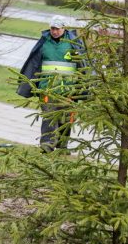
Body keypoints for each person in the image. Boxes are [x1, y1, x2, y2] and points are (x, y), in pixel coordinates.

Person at [17, 15, 88, 152]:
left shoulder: (73, 43)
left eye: (57, 29)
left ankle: (62, 146)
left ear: (64, 28)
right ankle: (47, 146)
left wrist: (81, 89)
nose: (54, 31)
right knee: (49, 118)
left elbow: (83, 66)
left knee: (66, 119)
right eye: (52, 28)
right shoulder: (44, 42)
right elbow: (34, 63)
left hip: (68, 90)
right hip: (47, 88)